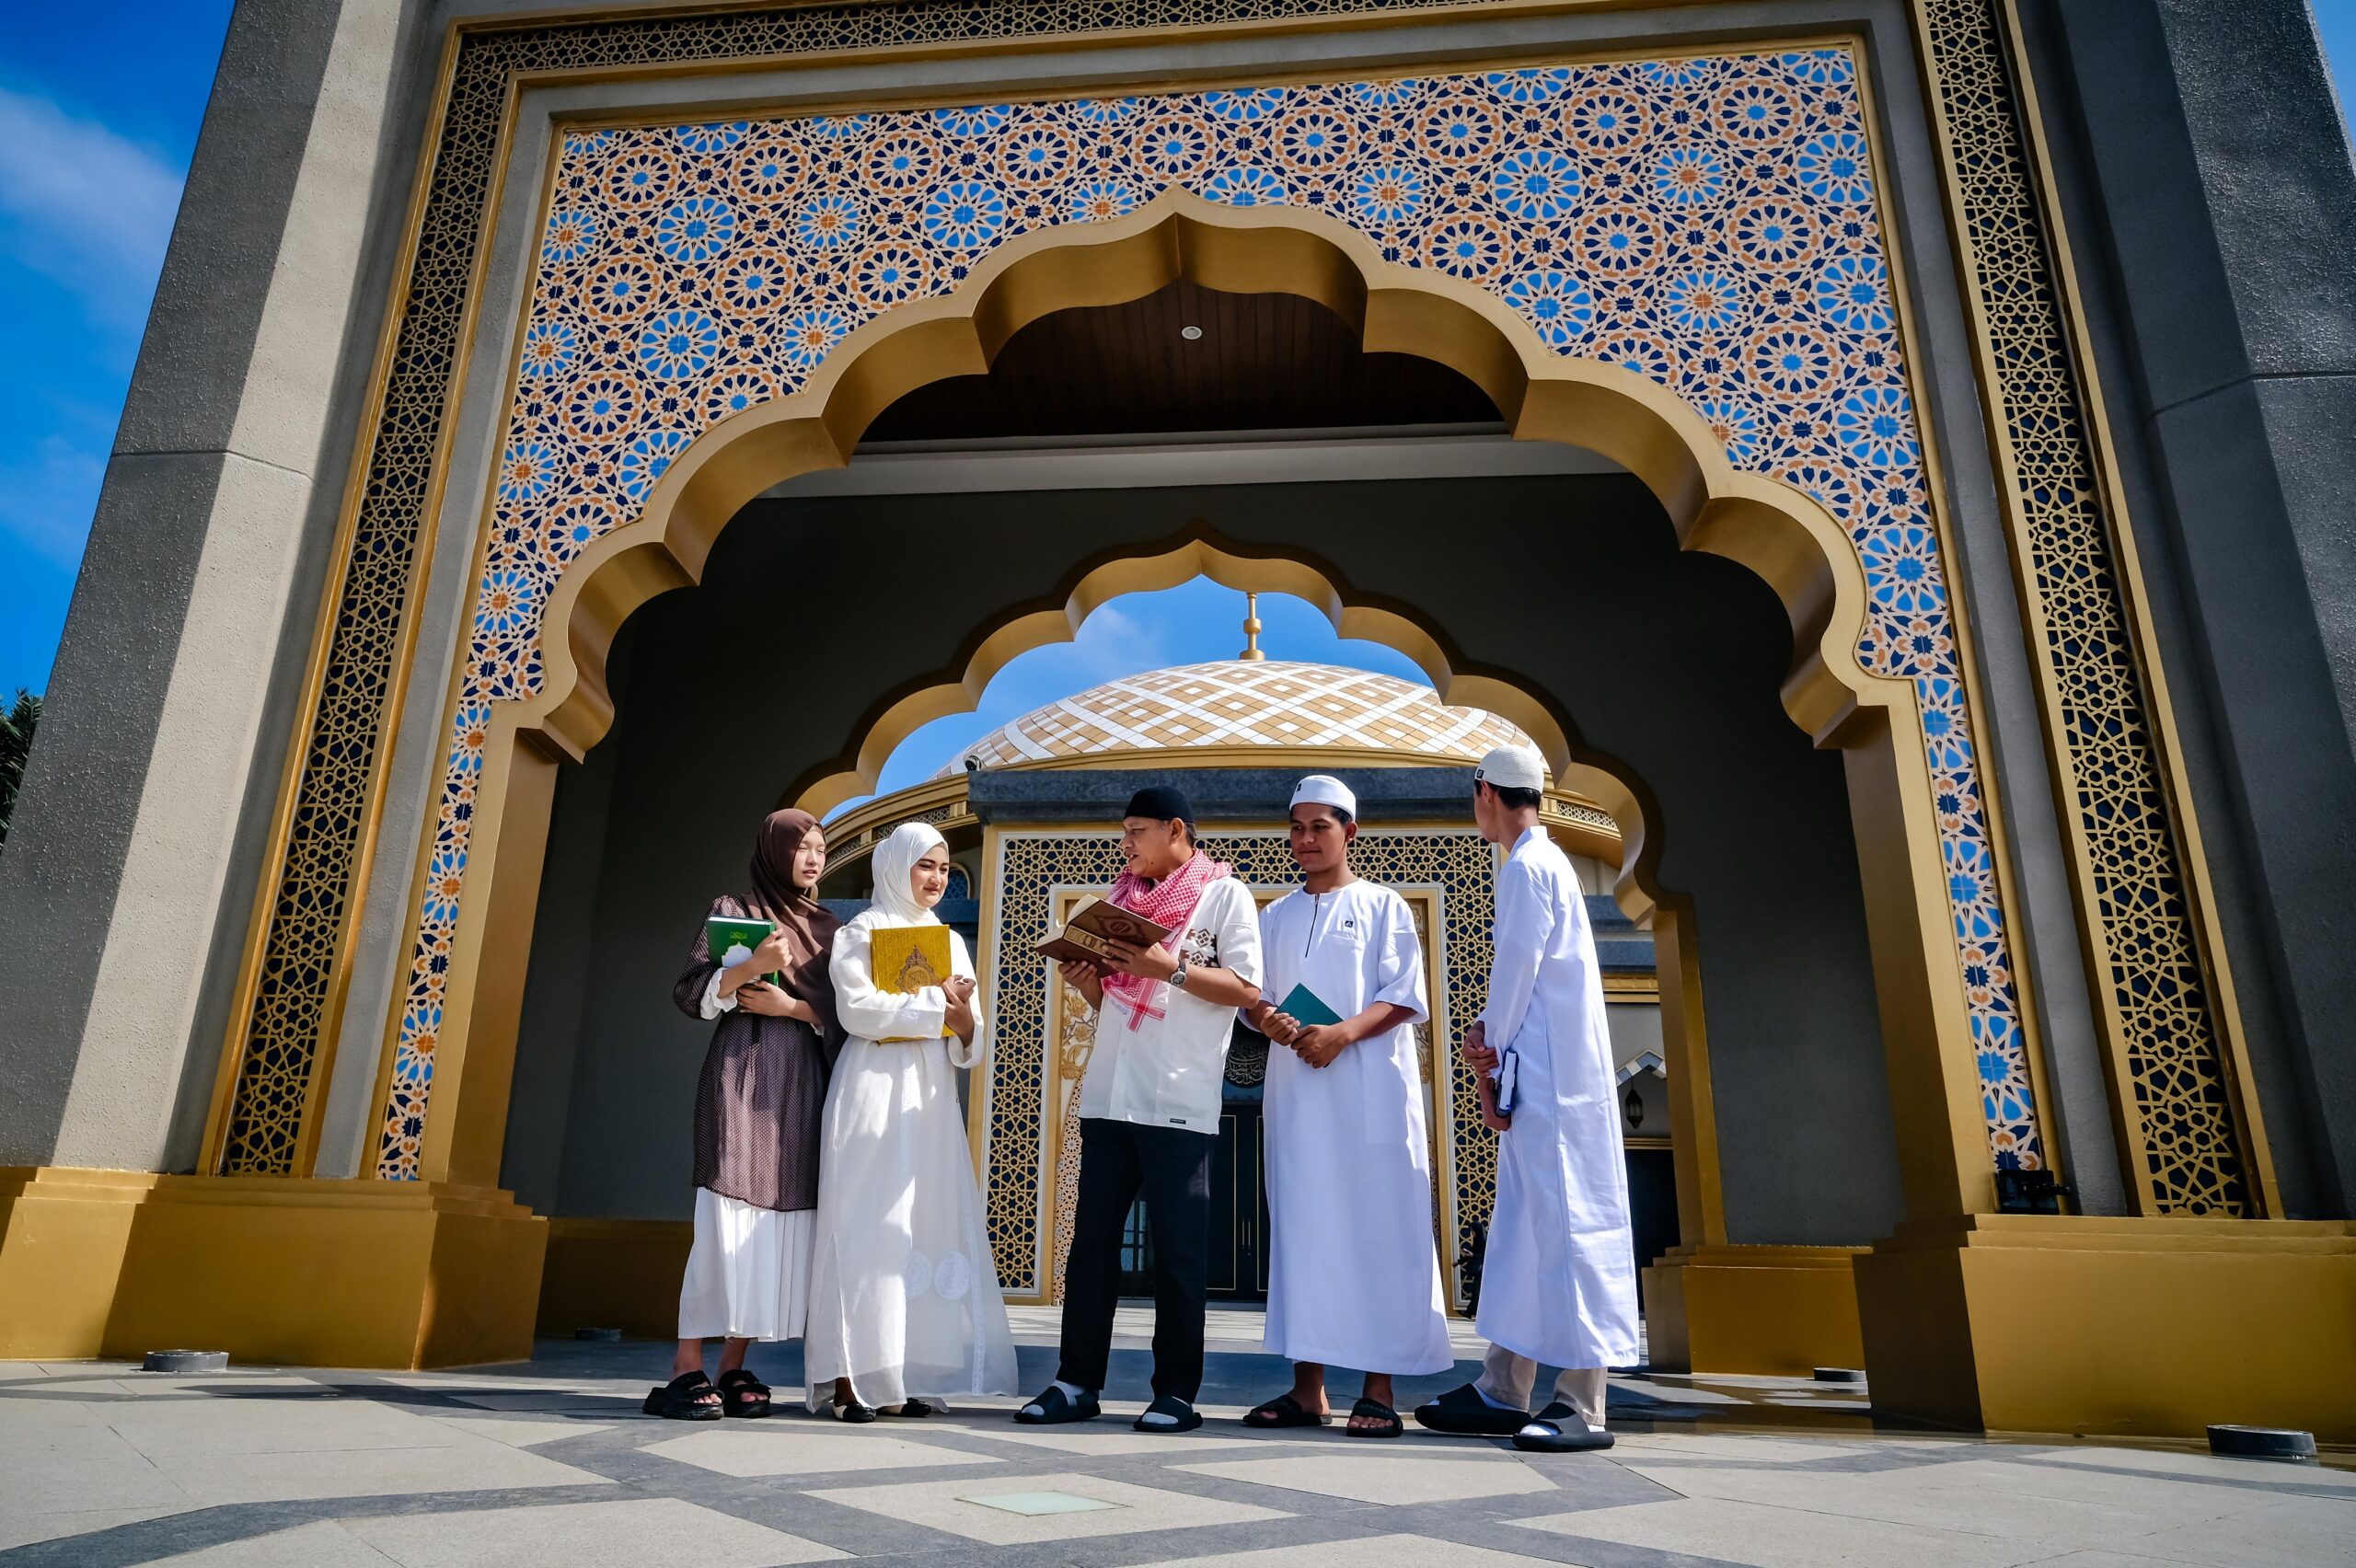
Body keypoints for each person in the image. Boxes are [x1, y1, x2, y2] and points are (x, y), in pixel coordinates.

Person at [1413, 745, 1640, 1452]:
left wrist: (1486, 1038)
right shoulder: (1547, 864)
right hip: (1540, 1079)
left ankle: (1583, 1401)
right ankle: (1504, 1386)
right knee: (1526, 1234)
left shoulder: (1527, 869)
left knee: (1571, 1231)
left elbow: (1516, 966)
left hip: (1555, 1086)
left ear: (1485, 793)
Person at [1017, 785, 1263, 1433]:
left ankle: (1176, 1393)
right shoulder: (1120, 902)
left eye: (1136, 830)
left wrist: (1169, 968)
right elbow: (1121, 1009)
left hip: (1178, 1100)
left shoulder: (1223, 895)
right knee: (1090, 1247)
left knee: (1178, 1253)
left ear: (1175, 829)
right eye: (1123, 831)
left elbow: (1245, 988)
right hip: (1109, 1098)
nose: (1124, 843)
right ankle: (1076, 1383)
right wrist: (1093, 983)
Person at [1242, 775, 1451, 1439]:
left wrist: (1341, 1035)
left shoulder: (1385, 906)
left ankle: (1380, 1390)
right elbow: (1254, 996)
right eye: (1297, 828)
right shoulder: (1271, 916)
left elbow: (1402, 995)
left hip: (1370, 1098)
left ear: (1349, 832)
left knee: (1376, 1231)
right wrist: (1268, 1019)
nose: (1305, 840)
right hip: (1299, 1101)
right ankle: (1309, 1391)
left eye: (1319, 828)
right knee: (1306, 1231)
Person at [803, 820, 1017, 1420]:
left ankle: (898, 1377)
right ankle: (850, 1381)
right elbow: (861, 1012)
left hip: (927, 1094)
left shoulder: (947, 940)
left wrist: (965, 1022)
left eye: (945, 867)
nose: (937, 877)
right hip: (873, 1087)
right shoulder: (862, 931)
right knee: (865, 1226)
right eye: (925, 864)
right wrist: (937, 1006)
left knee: (918, 1228)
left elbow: (971, 1031)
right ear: (896, 865)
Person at [646, 809, 843, 1422]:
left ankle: (732, 1364)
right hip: (741, 1076)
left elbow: (843, 1017)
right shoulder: (736, 911)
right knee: (726, 1218)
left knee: (774, 1229)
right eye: (801, 847)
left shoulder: (831, 928)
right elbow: (690, 992)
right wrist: (752, 968)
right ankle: (686, 1366)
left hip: (801, 1090)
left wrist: (794, 1007)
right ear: (773, 851)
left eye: (820, 848)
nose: (812, 858)